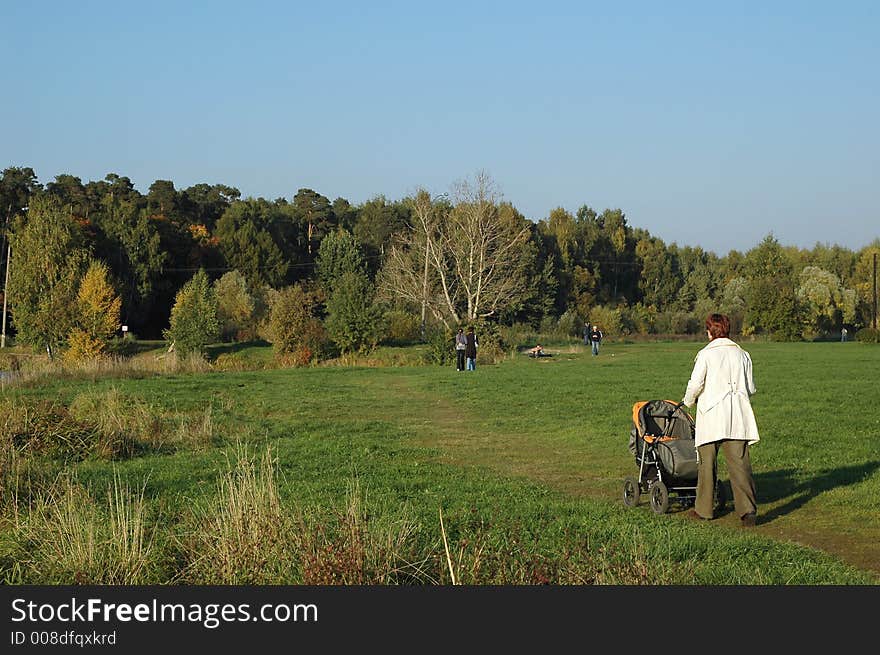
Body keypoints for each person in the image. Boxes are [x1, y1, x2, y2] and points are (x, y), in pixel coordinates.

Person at [682, 313, 760, 527]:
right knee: (740, 464)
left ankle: (704, 510)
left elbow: (695, 384)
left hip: (712, 415)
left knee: (707, 464)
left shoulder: (706, 354)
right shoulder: (742, 354)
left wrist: (687, 401)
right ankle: (748, 512)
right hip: (737, 415)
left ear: (710, 331)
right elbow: (750, 387)